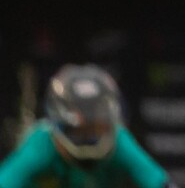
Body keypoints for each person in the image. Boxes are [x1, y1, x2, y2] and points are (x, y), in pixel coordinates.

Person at [0, 67, 168, 188]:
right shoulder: (42, 142)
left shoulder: (119, 139)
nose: (88, 137)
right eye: (80, 131)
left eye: (95, 129)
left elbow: (160, 183)